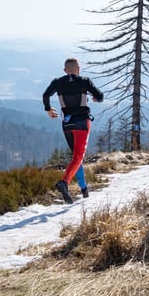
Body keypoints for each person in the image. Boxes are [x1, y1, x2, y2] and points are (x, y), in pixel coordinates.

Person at [42, 58, 103, 203]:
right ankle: (64, 182)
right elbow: (100, 96)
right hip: (82, 122)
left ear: (65, 70)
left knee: (76, 157)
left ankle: (84, 189)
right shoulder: (84, 81)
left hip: (67, 124)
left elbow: (45, 96)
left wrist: (49, 110)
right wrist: (95, 99)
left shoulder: (57, 82)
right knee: (78, 157)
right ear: (78, 68)